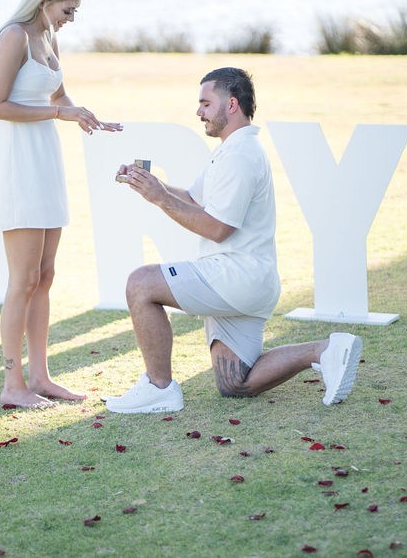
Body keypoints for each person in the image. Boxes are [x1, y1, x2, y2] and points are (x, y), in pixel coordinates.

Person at [103, 67, 362, 413]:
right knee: (235, 382)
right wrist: (151, 184)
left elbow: (217, 228)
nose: (199, 112)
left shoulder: (240, 155)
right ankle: (323, 351)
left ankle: (158, 387)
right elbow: (196, 201)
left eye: (205, 103)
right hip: (245, 281)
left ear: (232, 104)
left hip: (235, 278)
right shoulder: (232, 150)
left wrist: (159, 198)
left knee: (141, 283)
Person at [0, 0, 122, 409]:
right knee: (22, 279)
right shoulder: (14, 36)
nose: (71, 18)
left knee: (44, 276)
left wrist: (82, 113)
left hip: (45, 162)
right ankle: (13, 386)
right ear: (44, 1)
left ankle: (41, 378)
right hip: (19, 165)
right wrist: (58, 114)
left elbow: (59, 96)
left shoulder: (49, 37)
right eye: (68, 8)